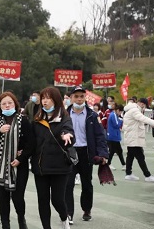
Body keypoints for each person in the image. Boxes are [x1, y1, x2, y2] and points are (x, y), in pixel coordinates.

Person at [0, 92, 33, 229]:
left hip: (19, 165)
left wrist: (20, 158)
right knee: (3, 198)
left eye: (9, 103)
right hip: (1, 165)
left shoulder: (23, 120)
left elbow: (31, 143)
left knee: (18, 197)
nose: (7, 105)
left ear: (15, 103)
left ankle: (21, 220)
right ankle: (5, 224)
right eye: (3, 103)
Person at [30, 87, 74, 229]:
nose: (44, 101)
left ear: (56, 100)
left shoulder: (64, 117)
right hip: (41, 167)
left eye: (48, 98)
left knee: (57, 200)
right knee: (43, 200)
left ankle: (64, 218)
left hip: (60, 167)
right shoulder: (37, 119)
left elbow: (69, 132)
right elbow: (31, 141)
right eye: (43, 98)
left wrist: (66, 135)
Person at [65, 86, 108, 225]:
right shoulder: (64, 115)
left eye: (81, 96)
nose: (79, 99)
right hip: (69, 153)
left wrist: (102, 154)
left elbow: (100, 136)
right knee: (68, 184)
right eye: (76, 96)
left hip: (86, 153)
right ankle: (68, 213)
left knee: (87, 184)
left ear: (85, 98)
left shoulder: (92, 116)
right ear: (71, 98)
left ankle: (87, 209)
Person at [122, 98, 154, 182]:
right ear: (141, 104)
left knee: (130, 156)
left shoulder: (131, 110)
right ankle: (147, 175)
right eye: (144, 105)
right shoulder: (134, 110)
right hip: (134, 137)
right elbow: (143, 118)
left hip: (132, 137)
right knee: (140, 157)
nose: (144, 107)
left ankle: (128, 173)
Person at [106, 104, 126, 170]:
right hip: (113, 135)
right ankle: (122, 164)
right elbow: (116, 125)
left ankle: (123, 164)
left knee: (115, 150)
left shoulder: (114, 115)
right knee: (115, 151)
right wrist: (121, 120)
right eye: (120, 112)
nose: (120, 113)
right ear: (117, 110)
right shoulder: (113, 115)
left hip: (113, 135)